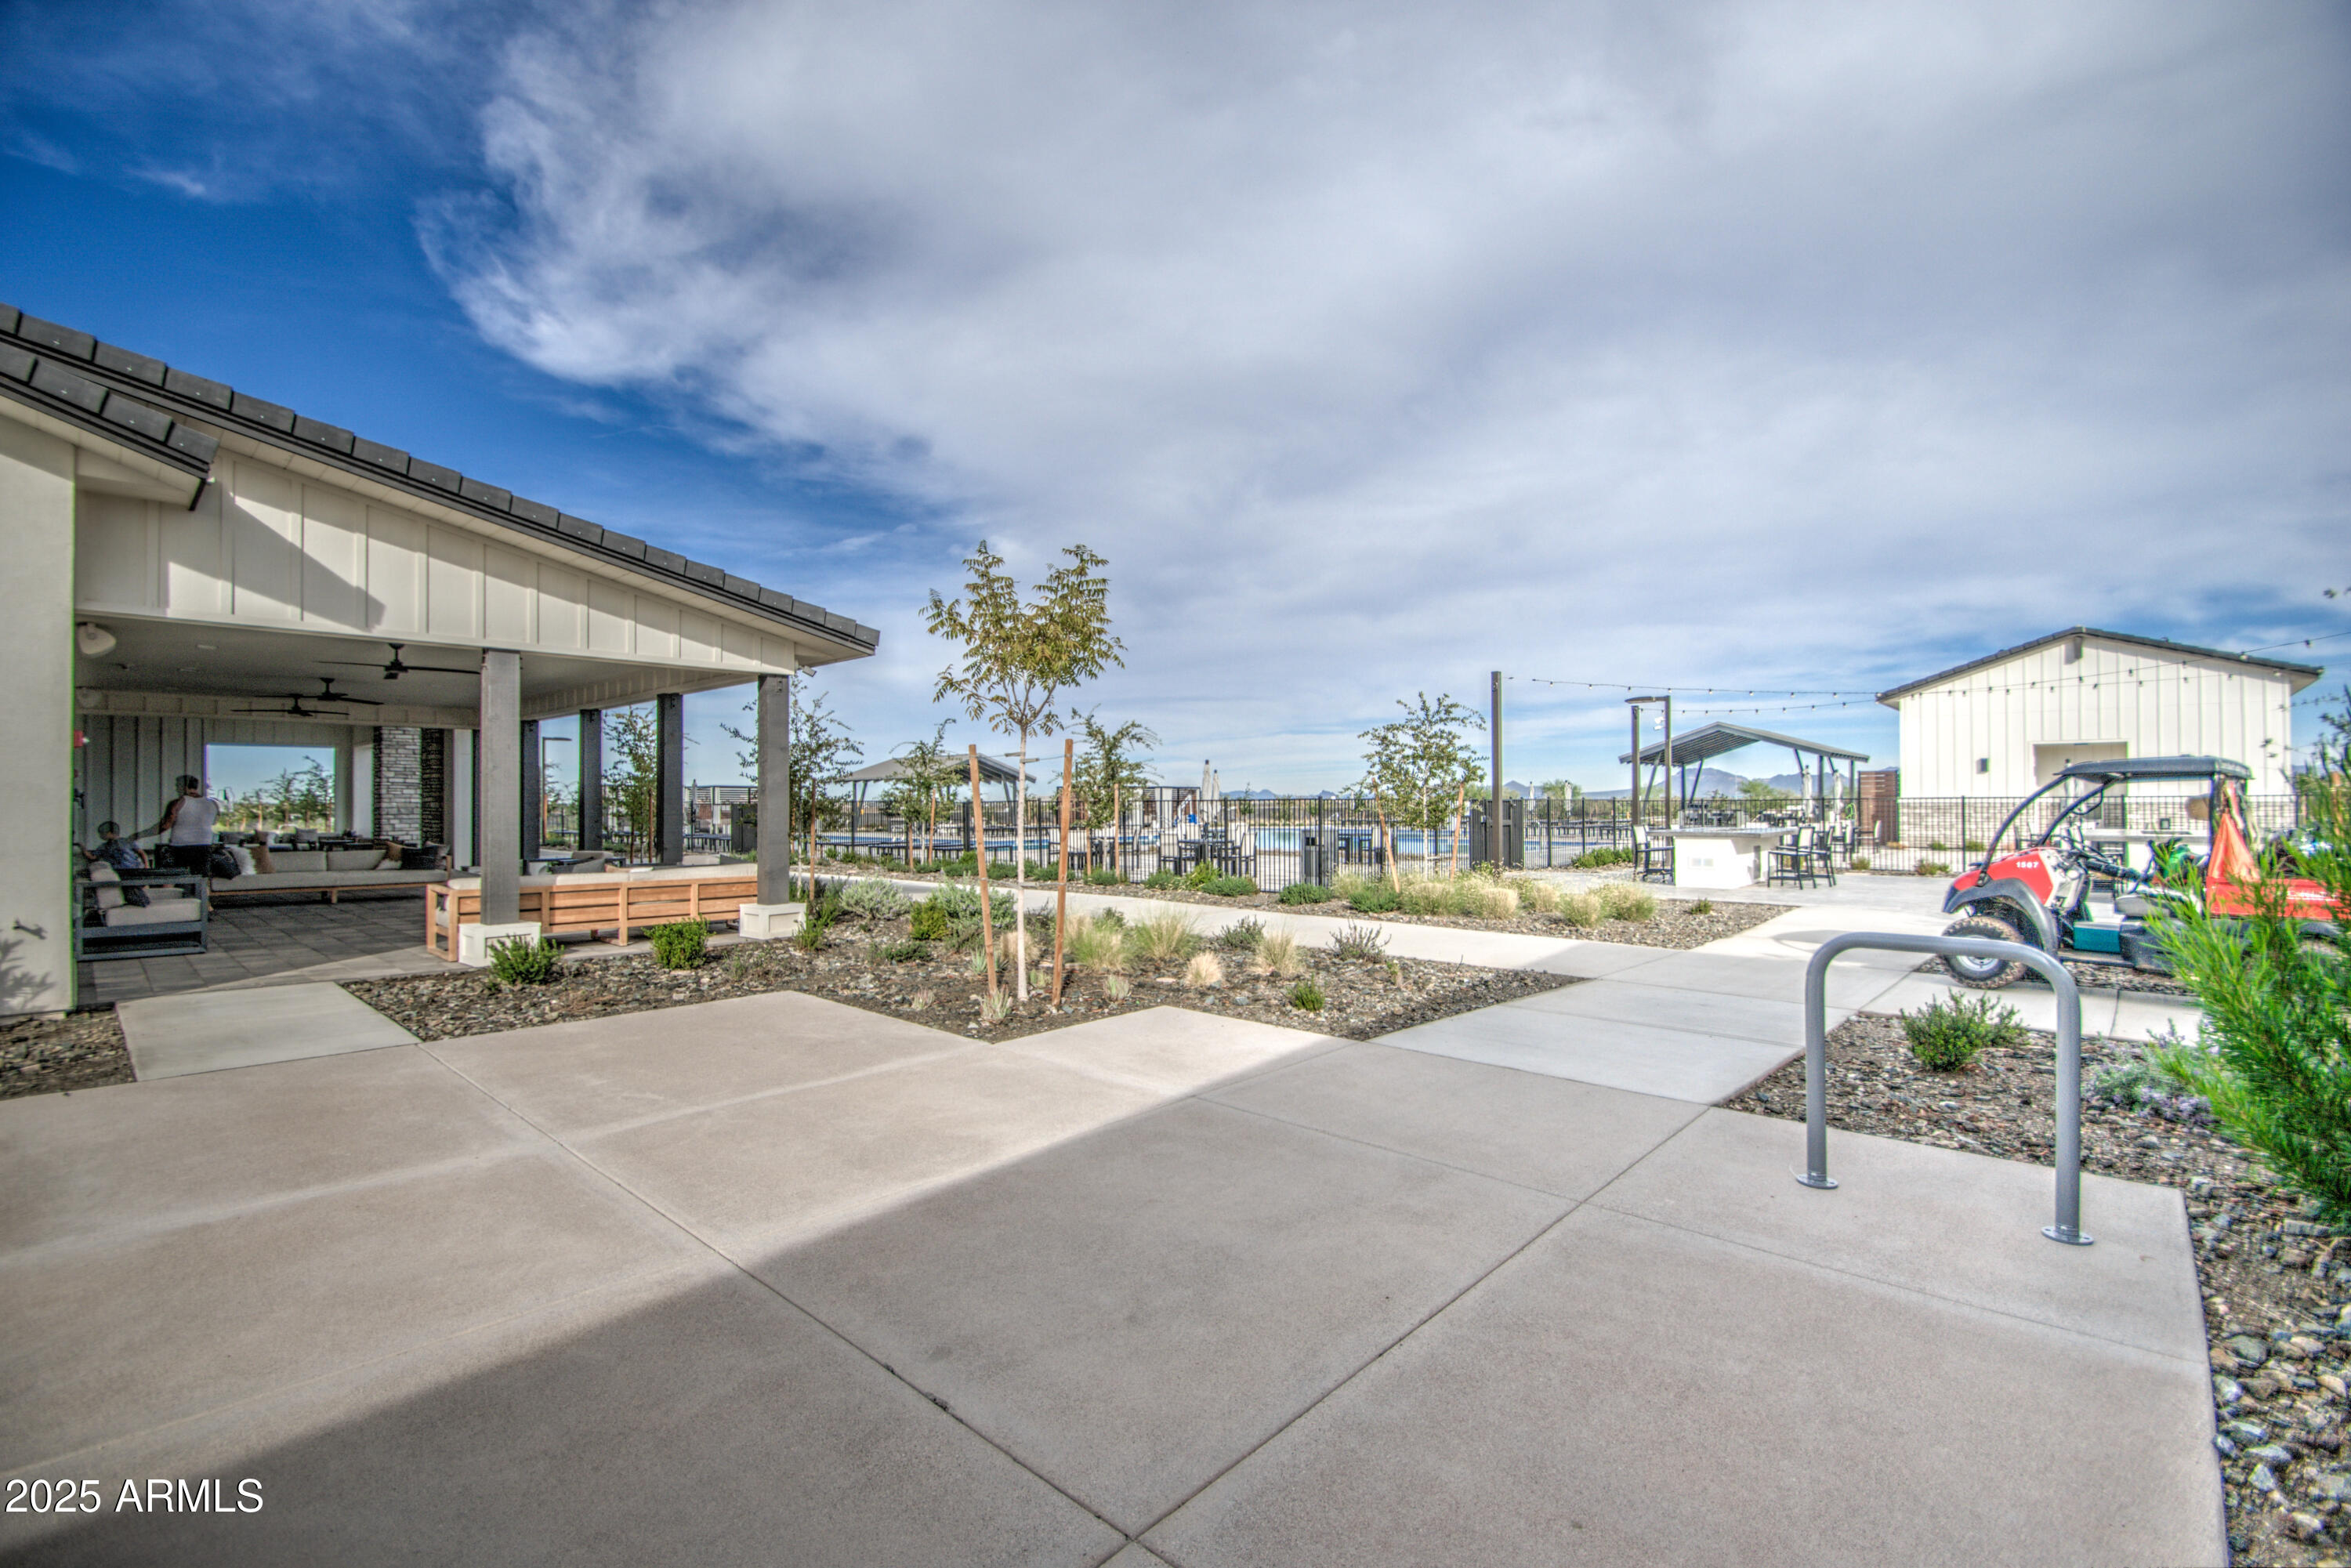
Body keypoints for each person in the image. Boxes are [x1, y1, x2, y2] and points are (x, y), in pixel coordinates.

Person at [140, 776, 223, 876]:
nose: (176, 789)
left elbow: (165, 826)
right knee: (202, 878)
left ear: (184, 787)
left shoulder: (178, 803)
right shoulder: (213, 804)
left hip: (180, 847)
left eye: (177, 786)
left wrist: (140, 835)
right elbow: (214, 822)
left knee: (174, 878)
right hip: (204, 845)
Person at [85, 819, 151, 906]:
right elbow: (92, 857)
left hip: (135, 871)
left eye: (102, 833)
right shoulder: (103, 847)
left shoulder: (127, 841)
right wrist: (83, 848)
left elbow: (142, 853)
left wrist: (147, 866)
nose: (101, 835)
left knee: (140, 889)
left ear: (109, 833)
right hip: (120, 874)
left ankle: (143, 901)